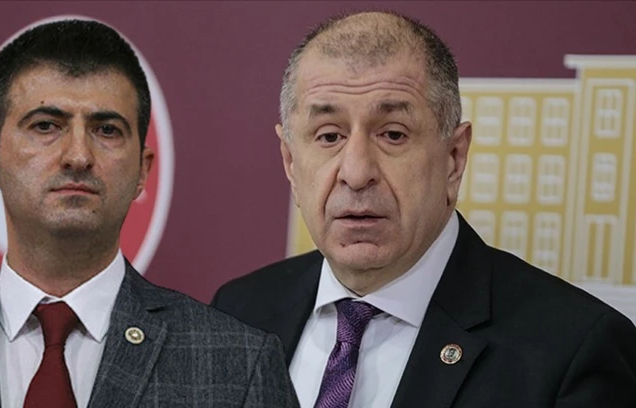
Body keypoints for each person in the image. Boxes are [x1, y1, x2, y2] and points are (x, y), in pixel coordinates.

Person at [212, 10, 636, 408]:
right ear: (290, 162)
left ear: (454, 158)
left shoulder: (572, 351)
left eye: (393, 134)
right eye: (328, 136)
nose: (356, 173)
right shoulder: (237, 312)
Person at [0, 19, 298, 408]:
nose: (78, 156)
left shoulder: (238, 364)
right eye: (45, 126)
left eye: (107, 130)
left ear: (143, 170)